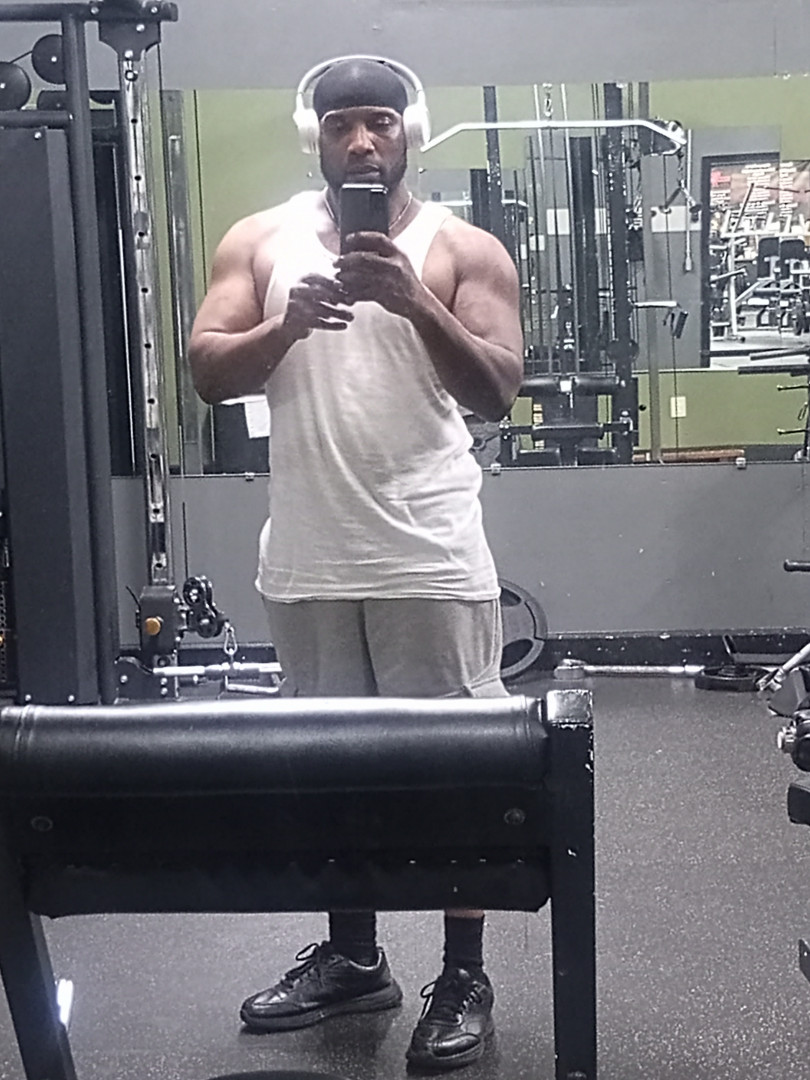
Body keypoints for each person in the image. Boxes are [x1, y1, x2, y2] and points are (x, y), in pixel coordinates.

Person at [188, 55, 524, 1072]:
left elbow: (499, 387)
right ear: (317, 138)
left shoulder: (463, 249)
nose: (363, 141)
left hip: (430, 553)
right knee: (330, 770)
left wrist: (418, 304)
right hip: (310, 557)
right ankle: (353, 956)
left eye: (380, 121)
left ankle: (462, 973)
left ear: (408, 132)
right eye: (343, 125)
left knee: (455, 775)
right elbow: (206, 369)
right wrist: (283, 325)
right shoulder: (259, 241)